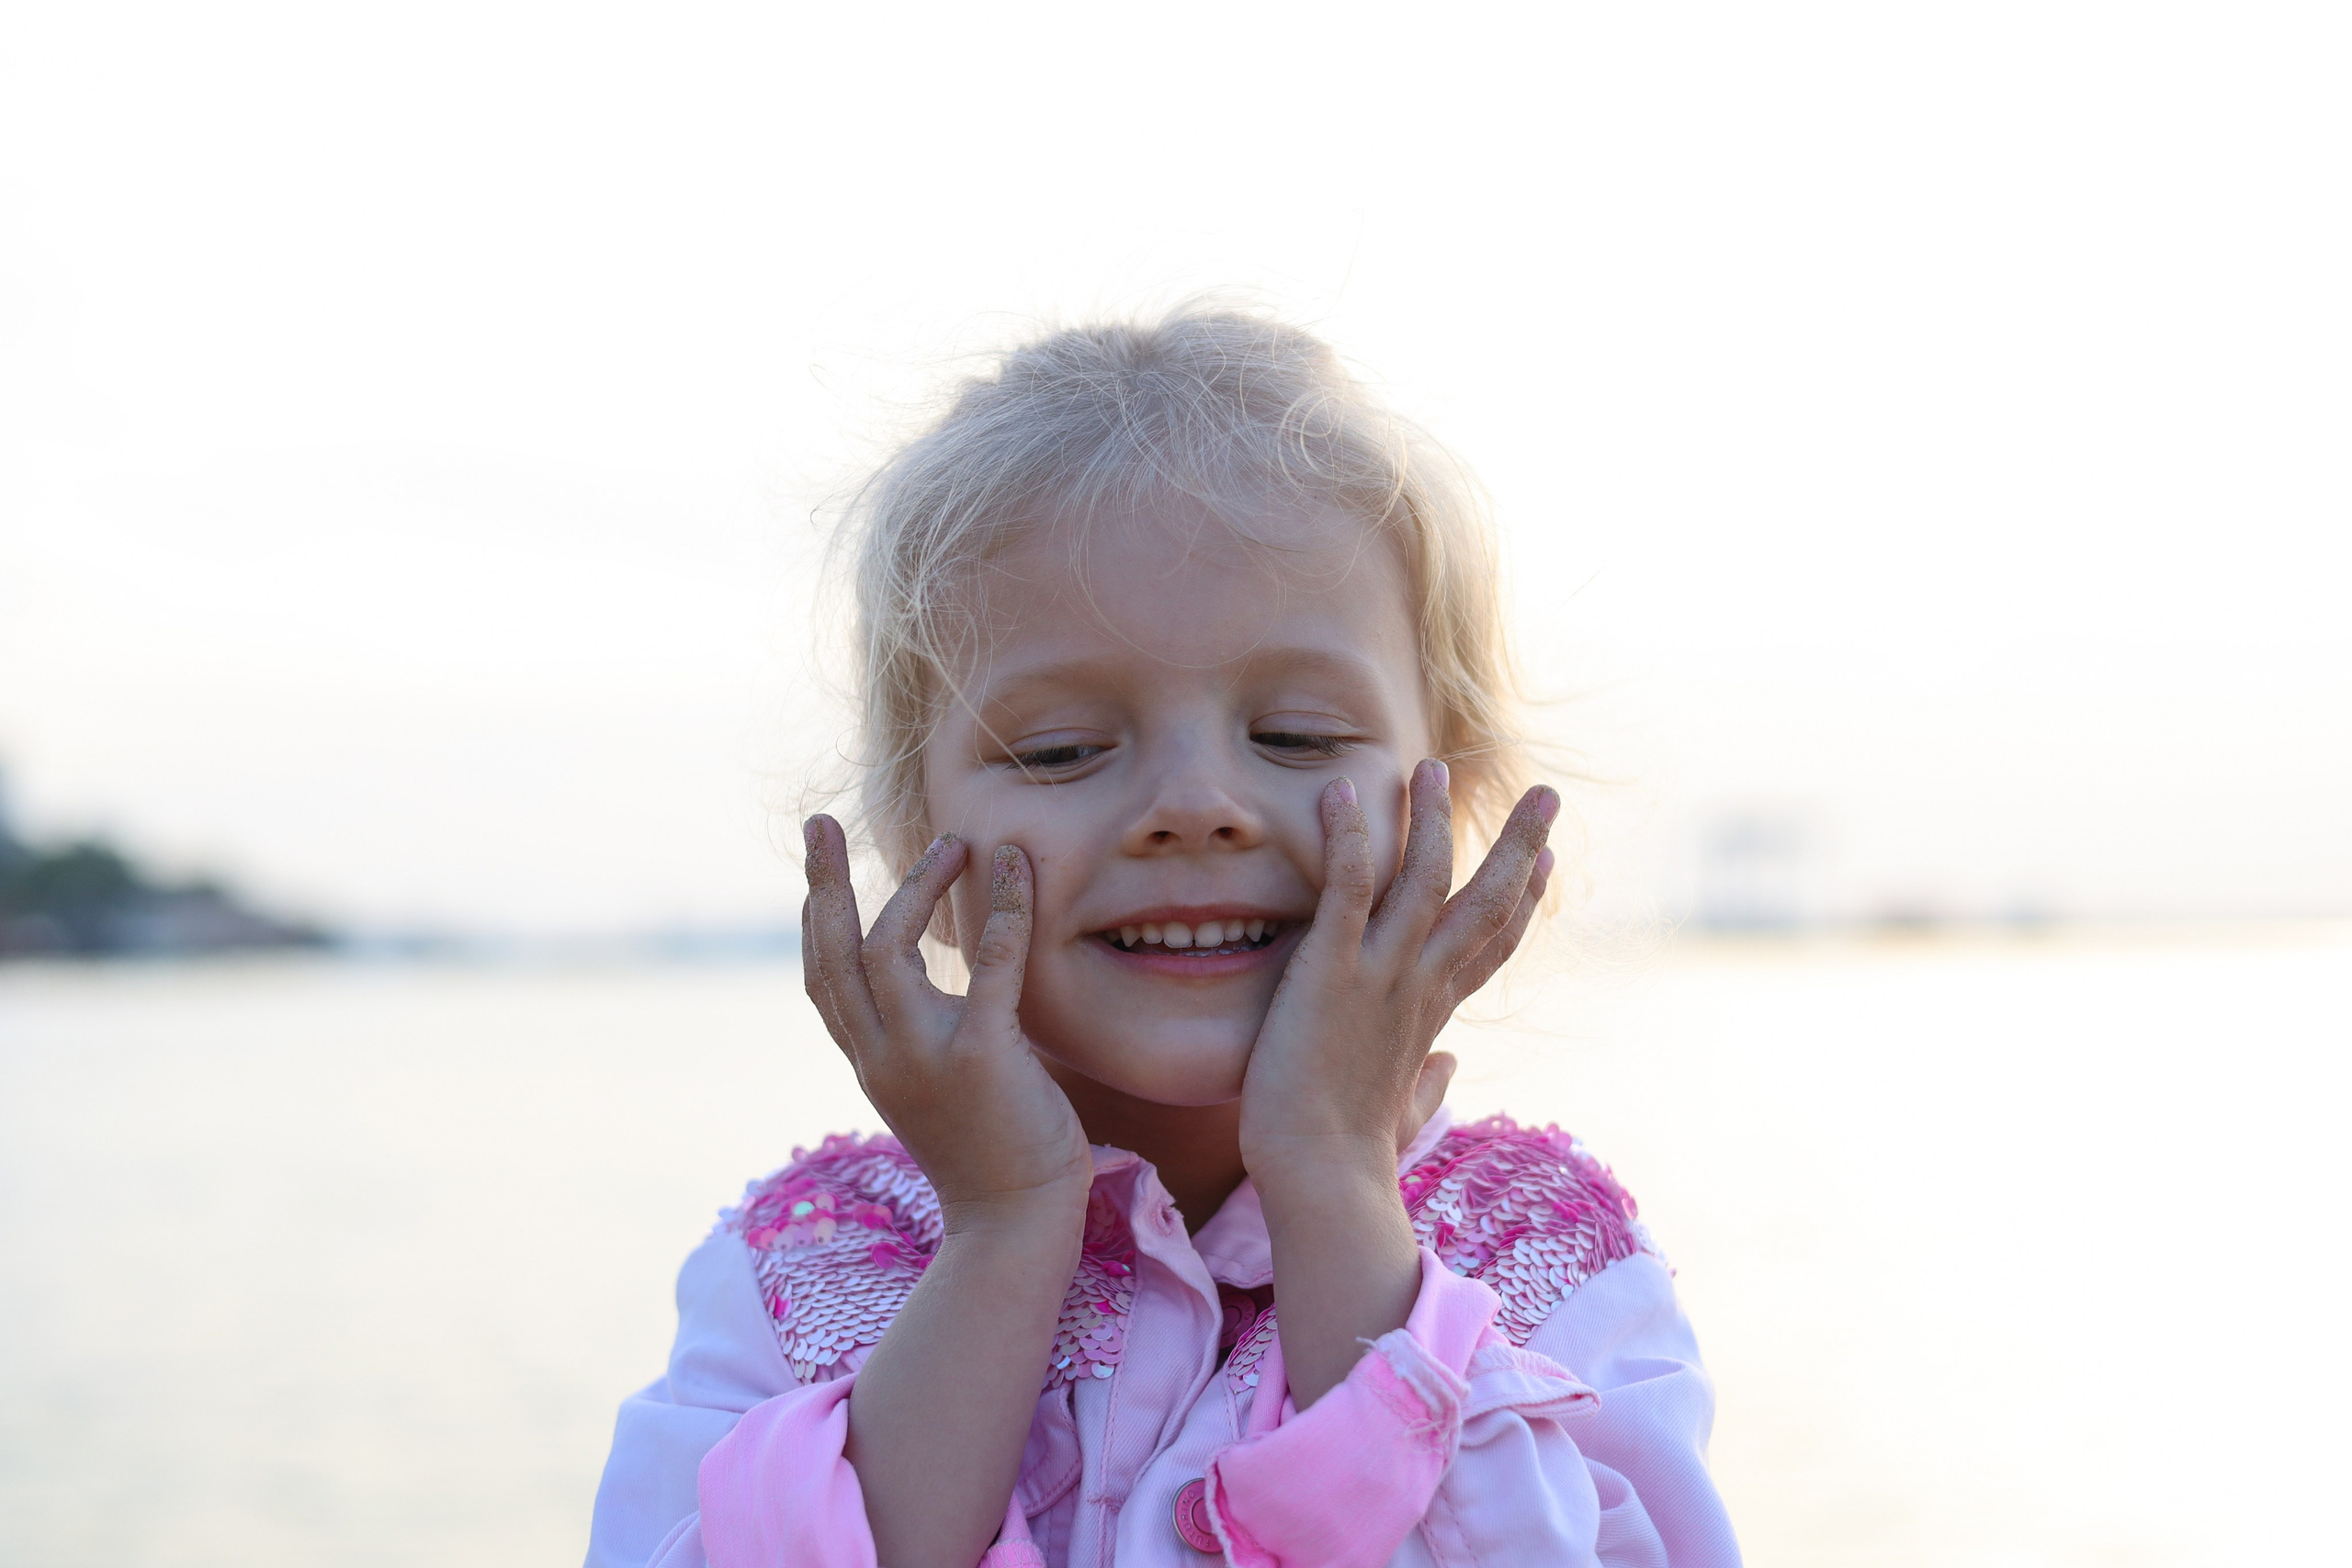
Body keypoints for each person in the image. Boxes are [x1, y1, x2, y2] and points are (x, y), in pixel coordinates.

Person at [586, 308, 1741, 1568]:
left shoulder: (1546, 1252)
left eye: (1296, 735)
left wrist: (1334, 1179)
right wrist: (1003, 1231)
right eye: (1063, 750)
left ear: (1449, 801)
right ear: (914, 832)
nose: (1196, 807)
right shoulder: (804, 1265)